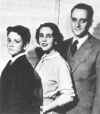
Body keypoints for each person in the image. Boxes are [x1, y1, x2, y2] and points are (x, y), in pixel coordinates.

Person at [62, 3, 100, 114]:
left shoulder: (98, 48)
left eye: (82, 21)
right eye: (74, 20)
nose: (77, 25)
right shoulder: (62, 46)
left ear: (90, 22)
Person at [35, 22, 76, 114]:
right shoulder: (43, 58)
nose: (44, 40)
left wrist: (47, 108)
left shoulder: (60, 63)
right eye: (41, 36)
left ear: (55, 39)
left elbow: (69, 95)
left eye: (48, 36)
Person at [0, 25, 42, 114]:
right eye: (9, 40)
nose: (11, 44)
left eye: (17, 41)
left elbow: (19, 103)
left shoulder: (23, 68)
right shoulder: (11, 63)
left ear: (25, 45)